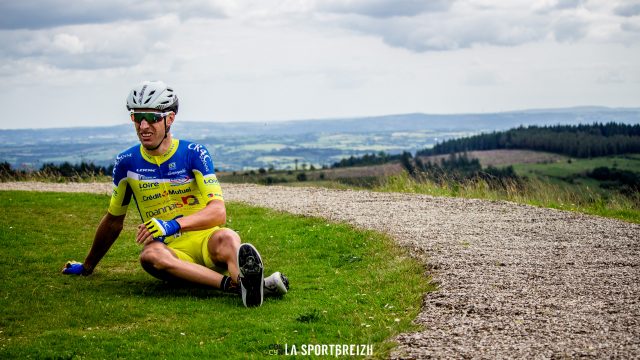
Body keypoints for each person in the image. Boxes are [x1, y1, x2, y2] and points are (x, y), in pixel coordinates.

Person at [62, 80, 288, 307]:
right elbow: (113, 221)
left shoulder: (193, 153)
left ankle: (246, 284)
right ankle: (242, 287)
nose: (143, 126)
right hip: (168, 251)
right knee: (149, 256)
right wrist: (87, 266)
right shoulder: (126, 163)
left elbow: (218, 213)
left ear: (169, 118)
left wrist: (171, 224)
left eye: (151, 118)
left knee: (228, 236)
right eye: (136, 117)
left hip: (206, 239)